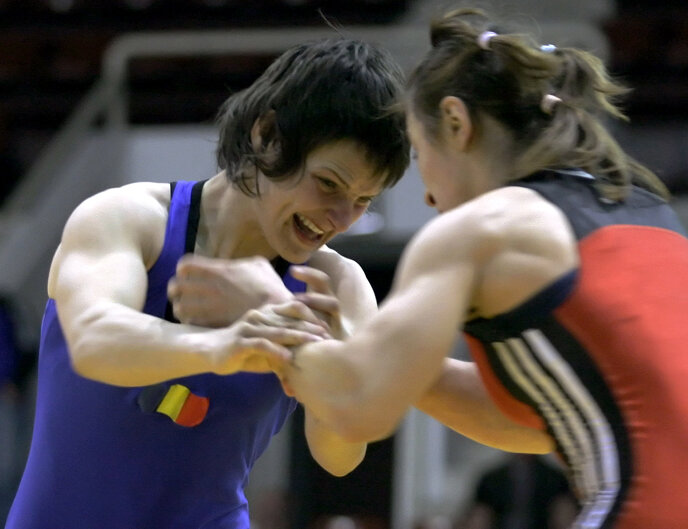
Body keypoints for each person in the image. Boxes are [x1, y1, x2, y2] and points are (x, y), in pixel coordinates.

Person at [265, 8, 688, 529]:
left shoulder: (485, 226)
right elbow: (531, 423)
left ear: (456, 123)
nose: (426, 195)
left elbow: (360, 408)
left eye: (421, 154)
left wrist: (273, 327)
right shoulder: (643, 208)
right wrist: (387, 359)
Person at [5, 36, 411, 529]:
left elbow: (341, 457)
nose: (342, 218)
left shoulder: (338, 283)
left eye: (363, 200)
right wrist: (227, 346)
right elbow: (94, 343)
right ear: (267, 135)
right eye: (328, 184)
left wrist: (327, 359)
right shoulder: (129, 218)